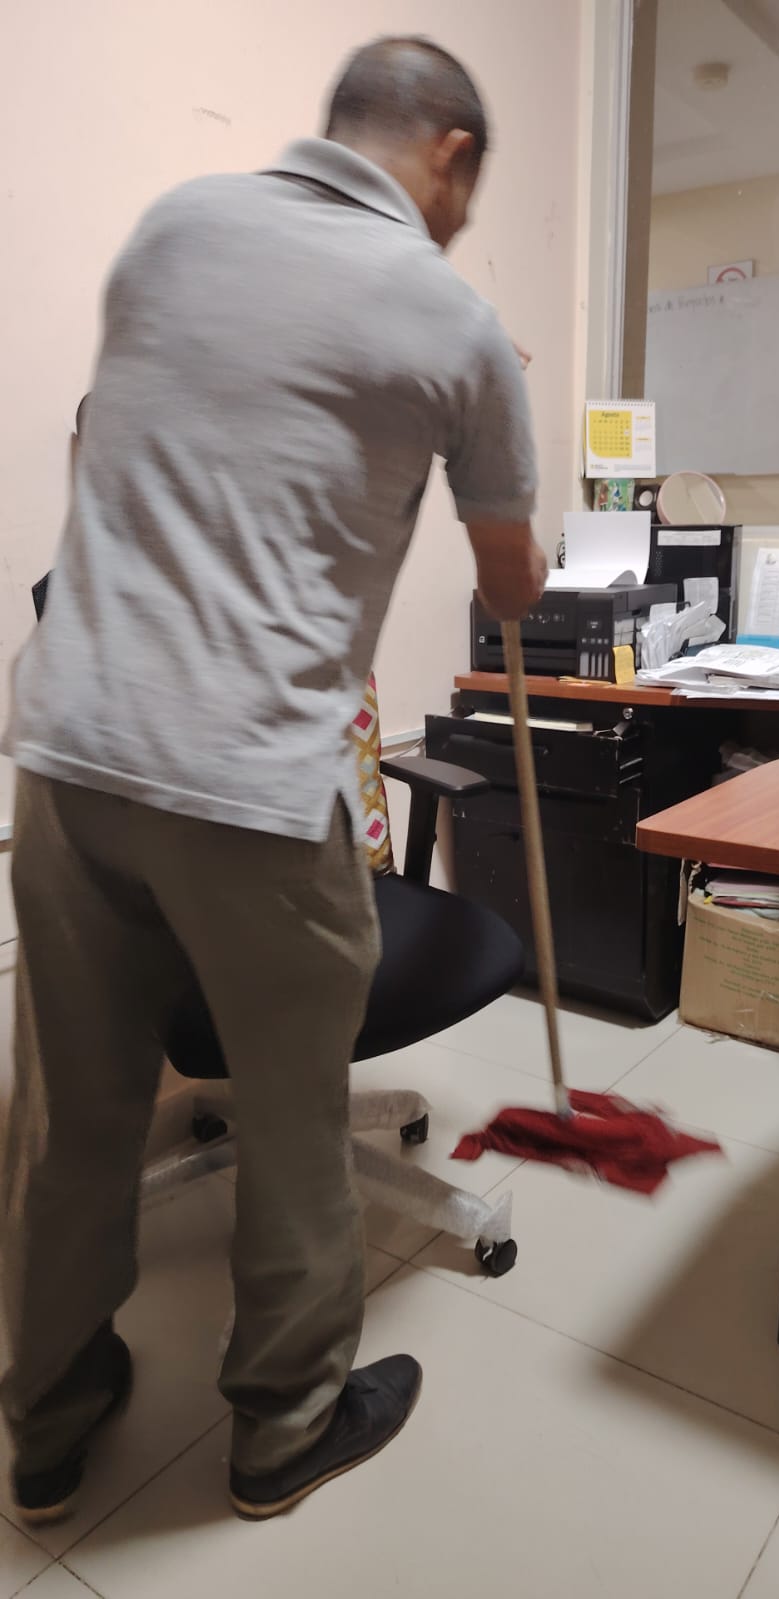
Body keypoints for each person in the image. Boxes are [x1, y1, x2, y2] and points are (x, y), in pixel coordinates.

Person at [0, 35, 545, 1524]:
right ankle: (286, 1427)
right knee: (300, 1115)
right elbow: (513, 587)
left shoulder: (173, 227)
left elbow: (126, 443)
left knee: (74, 1112)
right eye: (469, 190)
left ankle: (44, 1423)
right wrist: (489, 443)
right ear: (450, 155)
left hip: (67, 747)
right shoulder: (452, 317)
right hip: (246, 778)